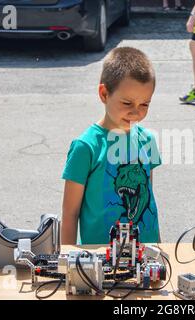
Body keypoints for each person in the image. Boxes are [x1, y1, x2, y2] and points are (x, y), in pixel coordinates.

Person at [61, 47, 162, 245]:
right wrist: (68, 263)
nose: (136, 113)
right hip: (99, 262)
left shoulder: (148, 140)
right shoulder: (85, 147)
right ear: (104, 93)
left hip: (145, 257)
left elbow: (148, 198)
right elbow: (70, 214)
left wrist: (159, 247)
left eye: (145, 104)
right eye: (127, 103)